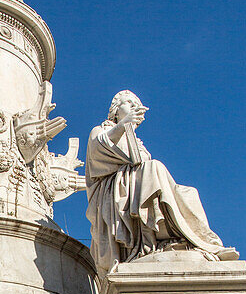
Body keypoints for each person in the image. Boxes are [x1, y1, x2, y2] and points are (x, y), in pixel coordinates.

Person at [84, 91, 236, 278]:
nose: (134, 108)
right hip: (114, 190)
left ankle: (199, 241)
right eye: (129, 104)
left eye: (136, 105)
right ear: (115, 110)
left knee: (190, 193)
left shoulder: (137, 141)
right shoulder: (101, 131)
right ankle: (156, 240)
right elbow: (99, 150)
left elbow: (138, 162)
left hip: (137, 183)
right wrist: (124, 125)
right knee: (154, 168)